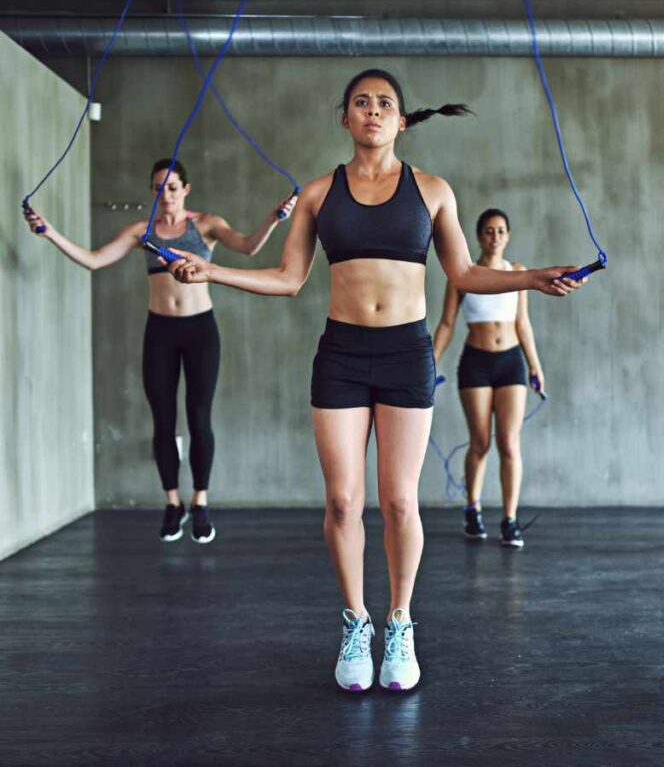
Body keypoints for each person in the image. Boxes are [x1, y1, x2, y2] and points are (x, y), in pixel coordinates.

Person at [162, 69, 584, 692]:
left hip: (407, 353)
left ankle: (401, 621)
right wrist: (214, 273)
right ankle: (356, 621)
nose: (373, 111)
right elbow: (288, 278)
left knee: (399, 501)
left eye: (385, 103)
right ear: (345, 118)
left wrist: (531, 277)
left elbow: (463, 274)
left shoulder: (434, 191)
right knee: (341, 501)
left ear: (402, 120)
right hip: (341, 353)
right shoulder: (316, 194)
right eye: (361, 102)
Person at [24, 158, 294, 544]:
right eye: (158, 187)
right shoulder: (142, 231)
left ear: (185, 189)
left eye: (172, 187)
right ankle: (173, 504)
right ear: (151, 191)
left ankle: (200, 502)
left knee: (199, 418)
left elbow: (249, 248)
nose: (165, 194)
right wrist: (50, 232)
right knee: (163, 421)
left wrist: (273, 218)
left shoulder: (207, 225)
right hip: (160, 332)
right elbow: (94, 260)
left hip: (201, 331)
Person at [433, 208, 545, 548]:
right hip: (476, 363)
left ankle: (510, 519)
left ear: (508, 236)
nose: (494, 237)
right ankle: (473, 508)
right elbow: (447, 323)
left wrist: (535, 366)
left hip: (510, 363)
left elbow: (523, 323)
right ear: (478, 236)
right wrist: (430, 362)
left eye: (500, 231)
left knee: (509, 444)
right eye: (488, 231)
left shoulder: (518, 272)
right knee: (480, 442)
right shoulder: (462, 275)